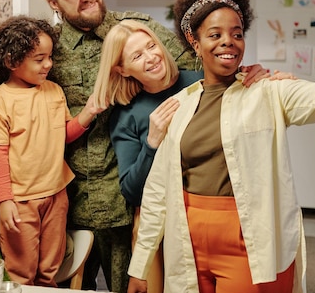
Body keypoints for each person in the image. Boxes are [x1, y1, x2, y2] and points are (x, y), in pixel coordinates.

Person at [126, 0, 315, 293]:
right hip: (185, 240)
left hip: (247, 238)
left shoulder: (268, 92)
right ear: (194, 42)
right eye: (214, 34)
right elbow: (157, 192)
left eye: (236, 33)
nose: (228, 41)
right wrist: (141, 268)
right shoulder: (179, 106)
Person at [33, 0, 266, 293]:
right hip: (69, 203)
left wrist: (250, 74)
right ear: (53, 1)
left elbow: (203, 61)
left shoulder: (139, 27)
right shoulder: (46, 48)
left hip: (131, 202)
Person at [93, 20, 287, 293]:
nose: (151, 57)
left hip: (221, 213)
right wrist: (152, 142)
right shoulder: (127, 116)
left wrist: (260, 74)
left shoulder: (201, 81)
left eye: (151, 46)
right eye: (137, 56)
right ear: (122, 69)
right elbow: (132, 193)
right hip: (164, 225)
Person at [0, 16, 104, 286]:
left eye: (50, 57)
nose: (48, 64)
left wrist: (87, 114)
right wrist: (5, 201)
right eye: (39, 59)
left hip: (56, 196)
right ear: (12, 62)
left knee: (49, 272)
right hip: (20, 202)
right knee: (20, 275)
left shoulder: (54, 91)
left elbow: (64, 135)